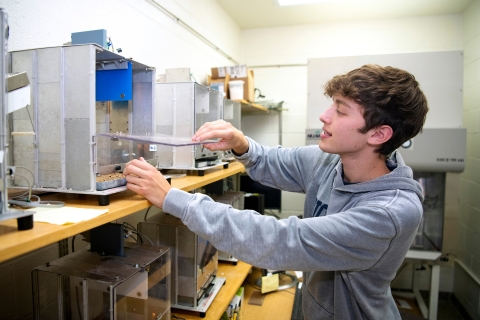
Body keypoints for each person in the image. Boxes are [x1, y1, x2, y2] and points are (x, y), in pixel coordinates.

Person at [123, 64, 429, 320]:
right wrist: (240, 142)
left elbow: (281, 240)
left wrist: (172, 198)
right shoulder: (330, 162)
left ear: (378, 134)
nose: (324, 116)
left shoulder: (389, 212)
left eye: (340, 110)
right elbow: (276, 160)